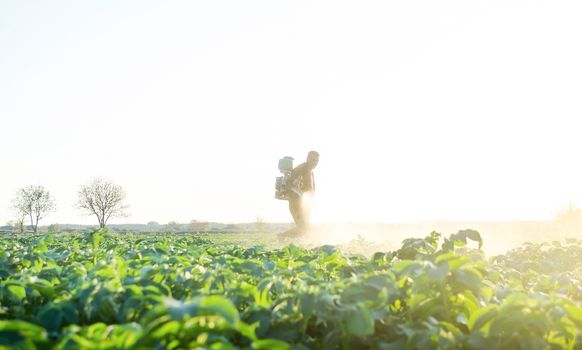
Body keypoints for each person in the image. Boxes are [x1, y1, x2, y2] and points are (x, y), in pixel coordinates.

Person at [279, 151, 319, 239]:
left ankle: (291, 242)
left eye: (317, 161)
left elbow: (310, 189)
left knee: (305, 229)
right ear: (308, 158)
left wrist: (312, 202)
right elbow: (289, 184)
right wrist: (301, 195)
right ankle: (282, 236)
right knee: (303, 229)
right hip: (296, 204)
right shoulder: (301, 169)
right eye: (313, 160)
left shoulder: (309, 171)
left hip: (305, 206)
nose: (315, 163)